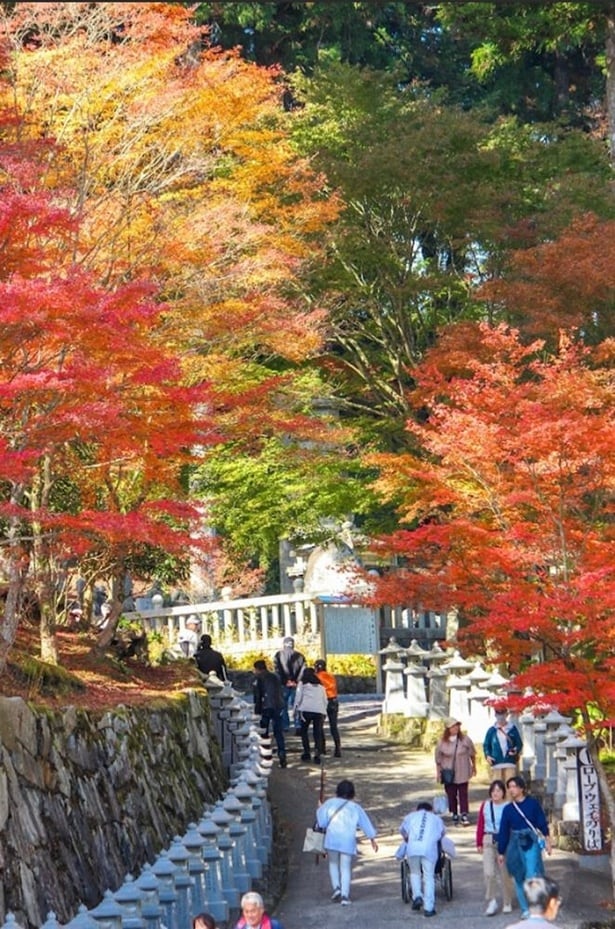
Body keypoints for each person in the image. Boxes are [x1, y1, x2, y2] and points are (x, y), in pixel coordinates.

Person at [316, 778, 378, 906]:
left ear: (337, 791)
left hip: (332, 838)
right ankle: (345, 895)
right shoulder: (355, 807)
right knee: (345, 867)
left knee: (333, 863)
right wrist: (372, 838)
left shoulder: (329, 803)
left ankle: (336, 888)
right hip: (347, 840)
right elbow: (365, 823)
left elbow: (321, 822)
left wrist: (319, 808)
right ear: (352, 793)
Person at [497, 775, 552, 919]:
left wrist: (547, 839)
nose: (511, 790)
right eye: (509, 787)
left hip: (531, 840)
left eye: (514, 786)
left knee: (531, 874)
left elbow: (541, 822)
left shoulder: (532, 804)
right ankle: (525, 908)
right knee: (518, 874)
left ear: (522, 788)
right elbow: (503, 831)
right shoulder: (508, 809)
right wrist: (501, 852)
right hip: (514, 842)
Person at [400, 800, 446, 918]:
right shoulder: (436, 818)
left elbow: (402, 830)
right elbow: (442, 833)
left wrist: (407, 838)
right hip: (429, 849)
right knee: (428, 876)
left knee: (415, 873)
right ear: (431, 810)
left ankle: (417, 896)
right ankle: (429, 908)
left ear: (417, 809)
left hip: (413, 848)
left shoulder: (411, 816)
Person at [476, 779, 514, 916]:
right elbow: (481, 823)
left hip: (504, 839)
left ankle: (507, 901)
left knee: (504, 873)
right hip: (488, 838)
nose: (495, 793)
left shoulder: (508, 806)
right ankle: (491, 900)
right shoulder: (485, 805)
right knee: (488, 872)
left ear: (503, 792)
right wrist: (479, 842)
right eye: (493, 790)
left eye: (498, 790)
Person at [435, 716, 476, 826]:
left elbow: (472, 754)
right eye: (453, 726)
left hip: (463, 770)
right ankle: (454, 812)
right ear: (448, 728)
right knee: (451, 794)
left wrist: (474, 766)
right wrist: (438, 773)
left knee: (463, 793)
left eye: (457, 725)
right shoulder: (442, 742)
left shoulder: (465, 740)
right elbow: (438, 759)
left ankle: (464, 814)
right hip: (448, 772)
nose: (456, 728)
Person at [252, 659, 287, 768]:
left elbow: (258, 696)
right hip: (278, 705)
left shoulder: (259, 679)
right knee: (278, 732)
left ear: (257, 669)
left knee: (264, 732)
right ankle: (282, 755)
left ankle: (266, 755)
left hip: (266, 706)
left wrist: (257, 711)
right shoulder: (275, 676)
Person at [294, 666, 327, 764]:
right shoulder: (320, 686)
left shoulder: (302, 684)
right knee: (317, 732)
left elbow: (298, 697)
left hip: (306, 710)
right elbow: (324, 699)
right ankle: (317, 753)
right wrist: (324, 711)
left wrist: (295, 709)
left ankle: (307, 752)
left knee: (304, 732)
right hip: (319, 711)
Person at [273, 636, 305, 730]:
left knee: (283, 705)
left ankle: (285, 725)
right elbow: (303, 670)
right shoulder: (300, 656)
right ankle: (298, 724)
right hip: (296, 684)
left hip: (283, 685)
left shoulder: (279, 655)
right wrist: (296, 681)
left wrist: (285, 681)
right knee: (297, 704)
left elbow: (277, 670)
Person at [484, 709, 523, 783]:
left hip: (509, 761)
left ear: (506, 715)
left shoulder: (512, 728)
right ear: (495, 715)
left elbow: (519, 743)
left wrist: (515, 750)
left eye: (503, 715)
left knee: (510, 784)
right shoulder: (492, 730)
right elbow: (486, 745)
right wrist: (488, 755)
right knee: (497, 785)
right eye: (498, 715)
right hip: (496, 762)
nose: (501, 717)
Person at [315, 658, 342, 757]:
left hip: (323, 701)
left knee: (319, 725)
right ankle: (338, 748)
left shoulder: (317, 677)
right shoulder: (331, 676)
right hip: (333, 700)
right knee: (333, 726)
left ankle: (322, 748)